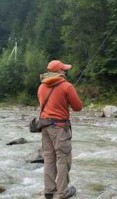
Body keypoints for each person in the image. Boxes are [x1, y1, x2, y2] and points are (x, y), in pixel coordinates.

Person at [37, 60, 83, 199]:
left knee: (49, 158)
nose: (65, 72)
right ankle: (62, 192)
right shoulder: (67, 86)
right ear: (58, 72)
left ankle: (49, 191)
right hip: (60, 127)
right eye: (63, 70)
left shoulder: (41, 87)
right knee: (63, 158)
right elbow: (78, 107)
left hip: (45, 127)